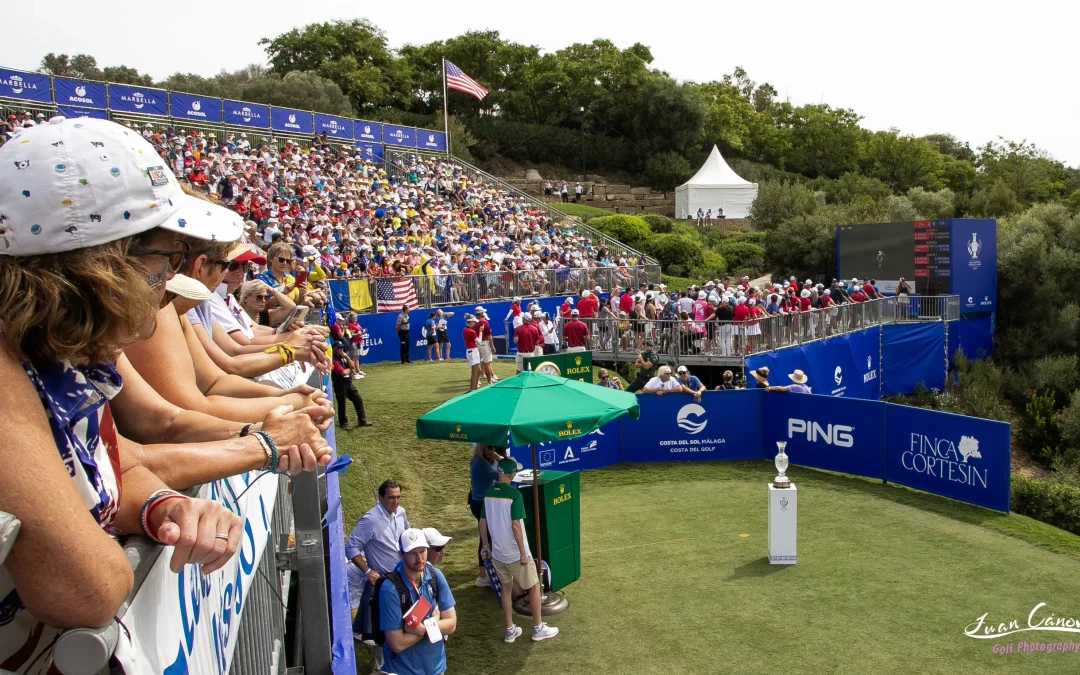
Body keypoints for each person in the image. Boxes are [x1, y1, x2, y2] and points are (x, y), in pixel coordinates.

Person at [0, 117, 249, 670]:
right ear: (108, 262)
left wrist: (165, 505)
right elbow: (85, 586)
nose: (176, 274)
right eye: (170, 255)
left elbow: (114, 467)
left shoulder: (60, 354)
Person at [479, 458, 559, 644]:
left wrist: (486, 546)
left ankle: (509, 630)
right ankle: (538, 628)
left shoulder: (488, 493)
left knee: (506, 589)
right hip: (515, 553)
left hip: (498, 553)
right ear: (512, 474)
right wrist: (523, 552)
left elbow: (482, 522)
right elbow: (516, 525)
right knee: (534, 586)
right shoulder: (515, 495)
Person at [376, 528, 457, 675]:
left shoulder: (435, 576)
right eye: (413, 553)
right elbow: (397, 644)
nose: (419, 559)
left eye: (422, 551)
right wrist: (435, 622)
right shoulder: (390, 589)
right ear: (402, 554)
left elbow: (451, 624)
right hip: (403, 671)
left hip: (437, 669)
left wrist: (421, 628)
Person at [347, 480, 409, 663]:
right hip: (383, 581)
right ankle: (380, 667)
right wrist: (367, 571)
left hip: (402, 575)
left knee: (402, 619)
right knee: (384, 625)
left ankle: (400, 661)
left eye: (398, 497)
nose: (395, 501)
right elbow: (351, 547)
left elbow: (406, 535)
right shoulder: (370, 519)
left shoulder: (401, 512)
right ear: (381, 497)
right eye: (391, 497)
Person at [469, 444, 504, 587]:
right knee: (485, 538)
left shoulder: (479, 461)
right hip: (481, 503)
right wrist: (498, 458)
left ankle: (486, 573)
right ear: (482, 448)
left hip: (480, 502)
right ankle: (483, 577)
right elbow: (502, 475)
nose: (493, 450)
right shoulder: (481, 464)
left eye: (493, 448)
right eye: (489, 448)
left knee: (487, 537)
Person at [331, 343, 372, 429]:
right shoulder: (334, 360)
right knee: (342, 404)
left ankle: (362, 420)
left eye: (342, 348)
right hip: (340, 384)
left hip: (348, 383)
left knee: (358, 399)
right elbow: (343, 372)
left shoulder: (343, 357)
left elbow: (352, 365)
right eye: (339, 348)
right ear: (334, 349)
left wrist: (347, 357)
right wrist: (349, 368)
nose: (341, 350)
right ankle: (343, 423)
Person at [474, 306, 498, 385]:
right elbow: (489, 336)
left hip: (476, 344)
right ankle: (489, 382)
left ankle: (477, 381)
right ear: (481, 313)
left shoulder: (473, 321)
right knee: (487, 363)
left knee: (477, 363)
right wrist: (492, 346)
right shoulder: (484, 322)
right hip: (484, 343)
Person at [463, 315, 482, 390]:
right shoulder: (472, 331)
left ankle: (475, 388)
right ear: (470, 322)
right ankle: (472, 390)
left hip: (472, 350)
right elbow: (479, 342)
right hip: (473, 351)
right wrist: (480, 332)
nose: (474, 323)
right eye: (473, 322)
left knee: (479, 371)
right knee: (475, 372)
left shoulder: (465, 329)